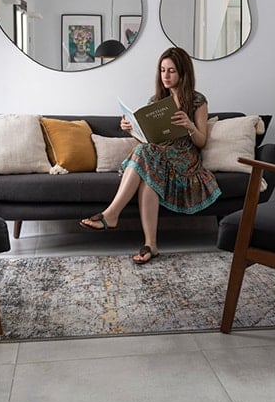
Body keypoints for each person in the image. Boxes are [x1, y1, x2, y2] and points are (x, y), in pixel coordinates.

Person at [80, 47, 221, 263]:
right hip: (158, 155)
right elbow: (147, 141)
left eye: (171, 71)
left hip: (184, 159)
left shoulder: (197, 100)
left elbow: (202, 141)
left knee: (146, 158)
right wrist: (131, 130)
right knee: (147, 171)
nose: (166, 76)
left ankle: (112, 214)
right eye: (162, 70)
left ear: (183, 73)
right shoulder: (156, 102)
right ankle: (151, 245)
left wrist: (190, 126)